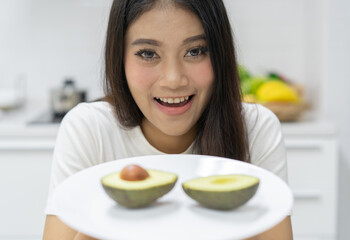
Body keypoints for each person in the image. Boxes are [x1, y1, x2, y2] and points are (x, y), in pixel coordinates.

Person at [43, 0, 293, 239]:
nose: (173, 80)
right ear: (120, 58)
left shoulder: (257, 129)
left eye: (195, 51)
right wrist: (112, 211)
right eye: (148, 54)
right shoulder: (89, 129)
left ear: (220, 54)